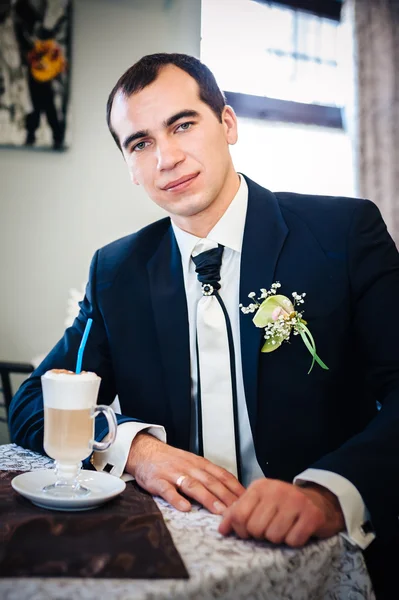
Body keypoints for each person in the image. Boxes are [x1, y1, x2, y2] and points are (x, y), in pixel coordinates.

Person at [9, 53, 399, 597]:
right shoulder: (117, 271)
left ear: (228, 124)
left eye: (183, 124)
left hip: (329, 555)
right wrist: (138, 450)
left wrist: (329, 494)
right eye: (140, 143)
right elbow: (34, 403)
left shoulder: (344, 234)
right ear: (129, 165)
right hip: (177, 554)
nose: (166, 157)